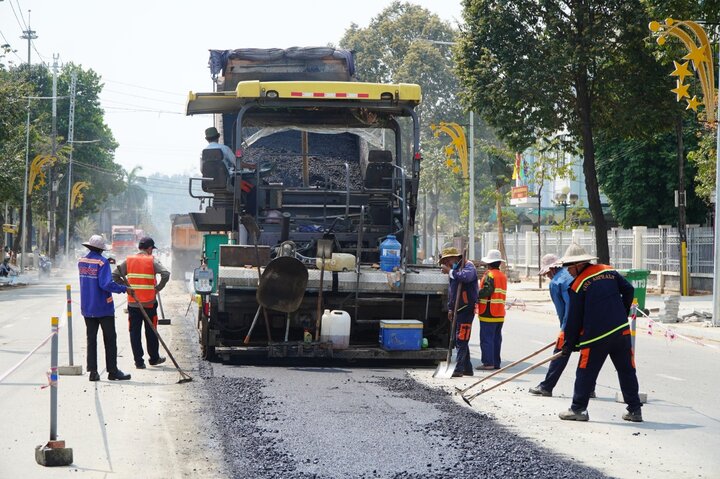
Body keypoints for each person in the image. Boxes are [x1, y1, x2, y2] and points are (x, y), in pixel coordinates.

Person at [558, 243, 642, 422]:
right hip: (621, 332)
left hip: (596, 337)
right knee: (627, 370)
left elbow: (574, 319)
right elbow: (629, 290)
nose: (568, 272)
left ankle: (578, 409)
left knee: (585, 372)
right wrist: (622, 312)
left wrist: (570, 343)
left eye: (569, 267)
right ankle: (635, 410)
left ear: (579, 264)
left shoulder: (578, 285)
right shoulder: (609, 271)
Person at [529, 253, 595, 398]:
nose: (547, 276)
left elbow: (562, 311)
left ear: (552, 269)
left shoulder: (555, 283)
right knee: (588, 356)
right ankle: (589, 389)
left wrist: (564, 330)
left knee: (560, 353)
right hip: (590, 322)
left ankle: (546, 386)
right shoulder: (575, 274)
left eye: (547, 273)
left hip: (571, 322)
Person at [78, 235, 131, 382]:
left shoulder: (81, 262)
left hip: (87, 307)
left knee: (91, 340)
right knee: (110, 339)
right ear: (101, 249)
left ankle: (93, 372)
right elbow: (105, 284)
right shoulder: (102, 263)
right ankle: (112, 371)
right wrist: (123, 288)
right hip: (103, 307)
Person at [113, 236, 170, 369]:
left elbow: (114, 276)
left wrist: (126, 288)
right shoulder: (152, 261)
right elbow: (166, 274)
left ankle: (139, 362)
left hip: (134, 303)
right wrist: (157, 289)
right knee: (151, 330)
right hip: (149, 303)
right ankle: (154, 358)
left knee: (134, 332)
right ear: (149, 248)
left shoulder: (129, 261)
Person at [439, 247, 479, 378]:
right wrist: (450, 308)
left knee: (462, 338)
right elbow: (453, 292)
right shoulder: (455, 269)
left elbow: (466, 278)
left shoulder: (468, 266)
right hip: (457, 309)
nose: (446, 264)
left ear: (454, 258)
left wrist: (450, 271)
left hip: (466, 309)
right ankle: (467, 368)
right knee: (459, 339)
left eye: (447, 261)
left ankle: (459, 368)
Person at [203, 126, 257, 213]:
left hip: (210, 184)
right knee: (252, 190)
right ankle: (249, 215)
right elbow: (238, 164)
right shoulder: (224, 148)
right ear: (218, 136)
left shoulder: (203, 152)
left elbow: (203, 170)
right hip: (229, 182)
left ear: (207, 139)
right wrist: (252, 166)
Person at [475, 249, 507, 371]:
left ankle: (488, 363)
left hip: (488, 312)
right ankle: (495, 363)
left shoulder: (490, 275)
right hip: (499, 312)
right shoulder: (502, 275)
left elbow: (487, 291)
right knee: (496, 339)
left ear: (489, 263)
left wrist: (476, 294)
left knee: (486, 339)